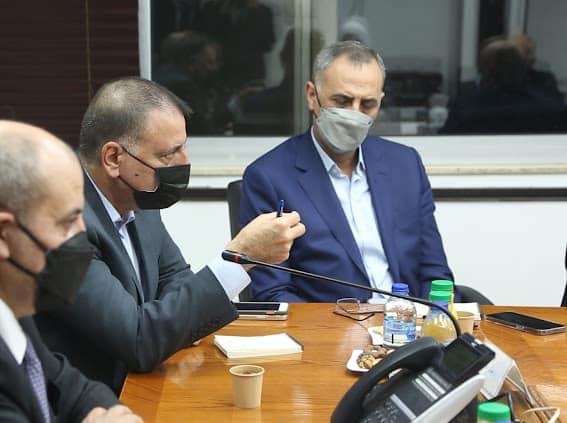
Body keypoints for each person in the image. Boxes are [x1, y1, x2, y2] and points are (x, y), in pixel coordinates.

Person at [35, 77, 305, 393]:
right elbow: (138, 340)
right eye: (168, 154)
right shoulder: (63, 224)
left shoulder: (138, 195)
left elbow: (175, 280)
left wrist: (172, 323)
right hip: (90, 400)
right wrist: (240, 259)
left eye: (184, 146)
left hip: (145, 385)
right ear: (113, 158)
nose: (184, 161)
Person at [240, 41, 453, 302]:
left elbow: (435, 272)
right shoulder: (269, 177)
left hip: (408, 320)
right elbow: (272, 294)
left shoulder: (405, 164)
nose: (354, 114)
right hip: (329, 324)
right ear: (312, 96)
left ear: (380, 102)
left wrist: (435, 317)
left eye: (367, 104)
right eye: (342, 101)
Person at [0, 120, 141, 422]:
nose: (83, 233)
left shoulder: (14, 309)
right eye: (67, 222)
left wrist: (111, 414)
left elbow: (72, 387)